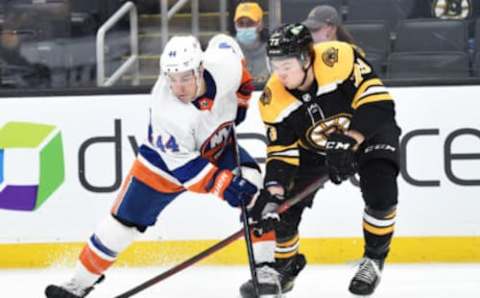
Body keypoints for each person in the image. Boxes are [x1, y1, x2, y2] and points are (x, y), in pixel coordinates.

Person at [44, 34, 262, 298]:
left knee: (255, 189)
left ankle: (268, 270)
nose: (178, 87)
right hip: (163, 165)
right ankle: (78, 284)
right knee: (119, 227)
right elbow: (189, 174)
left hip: (219, 143)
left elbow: (232, 54)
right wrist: (226, 187)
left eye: (185, 77)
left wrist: (240, 104)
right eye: (172, 79)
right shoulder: (166, 111)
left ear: (200, 70)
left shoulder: (223, 65)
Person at [240, 23, 401, 297]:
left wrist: (351, 138)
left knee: (381, 189)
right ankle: (286, 266)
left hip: (366, 129)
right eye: (275, 65)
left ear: (305, 58)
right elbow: (282, 152)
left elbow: (379, 103)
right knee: (283, 209)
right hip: (313, 148)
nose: (280, 73)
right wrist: (274, 193)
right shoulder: (271, 99)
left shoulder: (339, 58)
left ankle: (373, 260)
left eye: (287, 65)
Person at [234, 2, 270, 84]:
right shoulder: (229, 50)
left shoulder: (271, 50)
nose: (245, 27)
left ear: (260, 24)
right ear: (235, 25)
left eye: (250, 23)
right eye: (241, 23)